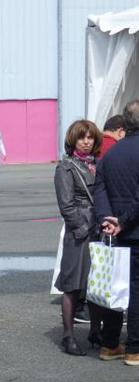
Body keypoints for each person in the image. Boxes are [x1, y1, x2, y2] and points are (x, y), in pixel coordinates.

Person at [54, 120, 123, 357]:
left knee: (98, 282)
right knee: (73, 285)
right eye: (82, 137)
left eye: (90, 137)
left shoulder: (99, 164)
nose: (86, 141)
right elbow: (66, 204)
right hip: (79, 231)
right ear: (73, 140)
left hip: (100, 229)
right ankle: (68, 335)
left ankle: (95, 330)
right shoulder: (66, 167)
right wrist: (82, 228)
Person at [95, 99, 139, 366]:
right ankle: (134, 347)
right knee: (135, 289)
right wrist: (123, 221)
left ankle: (110, 344)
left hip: (113, 231)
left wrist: (107, 220)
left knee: (115, 287)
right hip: (132, 230)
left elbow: (99, 189)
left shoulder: (110, 154)